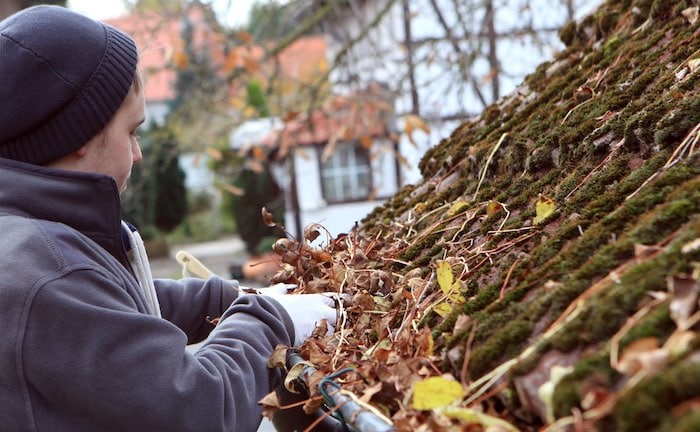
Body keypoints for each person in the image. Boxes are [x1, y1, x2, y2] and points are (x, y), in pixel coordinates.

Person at [0, 5, 338, 431]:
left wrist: (224, 298)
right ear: (82, 134)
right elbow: (196, 407)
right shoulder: (48, 274)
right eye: (132, 131)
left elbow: (111, 307)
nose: (138, 154)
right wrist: (272, 321)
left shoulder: (30, 242)